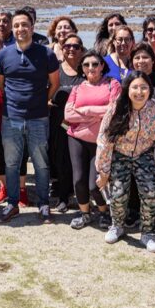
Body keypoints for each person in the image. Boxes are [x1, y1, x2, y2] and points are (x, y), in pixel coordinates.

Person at [0, 8, 60, 223]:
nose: (20, 29)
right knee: (11, 163)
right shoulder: (4, 54)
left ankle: (43, 204)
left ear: (32, 28)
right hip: (11, 117)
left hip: (38, 118)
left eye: (24, 25)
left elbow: (55, 83)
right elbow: (2, 85)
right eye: (16, 26)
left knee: (41, 162)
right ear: (12, 30)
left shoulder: (46, 54)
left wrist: (42, 101)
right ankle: (12, 204)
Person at [96, 71, 155, 252]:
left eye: (144, 87)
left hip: (144, 154)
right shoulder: (117, 108)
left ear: (150, 89)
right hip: (120, 154)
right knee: (119, 193)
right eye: (135, 87)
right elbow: (104, 140)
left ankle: (148, 233)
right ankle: (117, 226)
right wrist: (103, 170)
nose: (140, 92)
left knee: (149, 192)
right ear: (127, 89)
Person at [65, 50, 121, 230]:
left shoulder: (113, 85)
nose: (91, 68)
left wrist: (85, 111)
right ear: (82, 68)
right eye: (86, 64)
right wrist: (97, 112)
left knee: (94, 184)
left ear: (102, 66)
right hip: (77, 139)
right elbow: (68, 114)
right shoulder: (77, 88)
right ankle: (85, 213)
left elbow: (113, 112)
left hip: (101, 142)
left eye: (95, 64)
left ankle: (104, 212)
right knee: (78, 180)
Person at [0, 30, 29, 204]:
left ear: (3, 46)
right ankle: (5, 188)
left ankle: (22, 190)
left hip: (13, 116)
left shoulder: (12, 63)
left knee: (20, 155)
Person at [49, 33, 84, 213]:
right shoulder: (55, 69)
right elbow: (45, 90)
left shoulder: (86, 70)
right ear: (61, 49)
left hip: (82, 124)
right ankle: (63, 197)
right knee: (61, 160)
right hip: (58, 124)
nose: (71, 49)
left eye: (76, 46)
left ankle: (82, 197)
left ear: (82, 50)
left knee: (80, 162)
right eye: (67, 46)